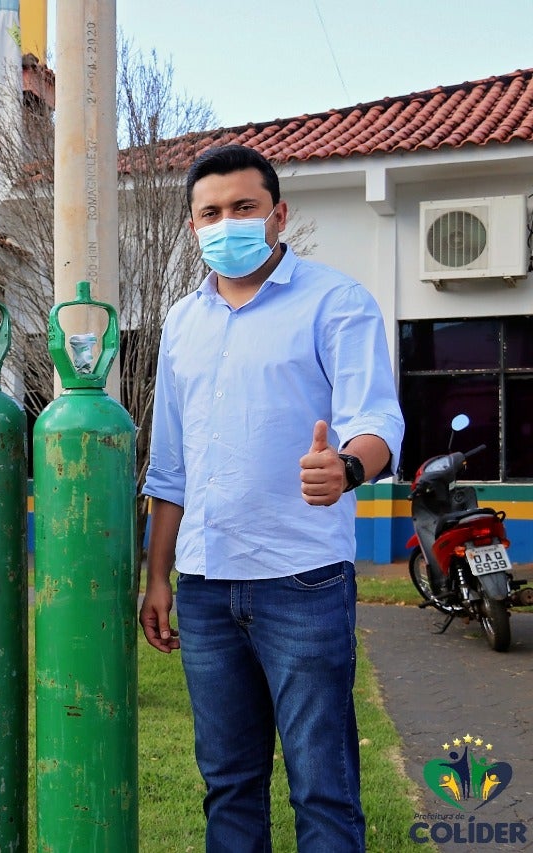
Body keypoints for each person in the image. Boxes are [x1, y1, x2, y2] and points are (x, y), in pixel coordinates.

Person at [138, 145, 404, 852]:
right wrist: (158, 576)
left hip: (301, 581)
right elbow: (170, 466)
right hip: (204, 586)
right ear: (192, 226)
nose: (227, 223)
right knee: (227, 784)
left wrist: (346, 467)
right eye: (211, 212)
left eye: (244, 208)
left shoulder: (335, 301)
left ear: (278, 213)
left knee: (322, 786)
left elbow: (377, 420)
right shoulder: (179, 324)